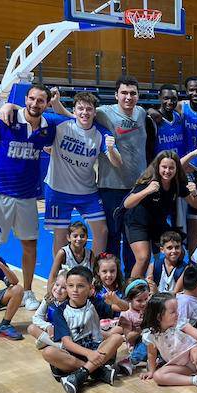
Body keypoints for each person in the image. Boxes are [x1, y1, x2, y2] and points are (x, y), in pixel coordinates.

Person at [49, 76, 149, 275]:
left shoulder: (141, 113)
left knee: (133, 236)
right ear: (116, 95)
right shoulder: (103, 113)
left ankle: (130, 278)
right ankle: (106, 277)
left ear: (138, 96)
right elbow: (75, 116)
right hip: (110, 186)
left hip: (137, 186)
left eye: (133, 93)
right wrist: (55, 103)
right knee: (111, 235)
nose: (128, 97)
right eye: (124, 93)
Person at [0, 84, 59, 310]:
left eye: (40, 100)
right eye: (31, 99)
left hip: (26, 197)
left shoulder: (48, 127)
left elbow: (74, 119)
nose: (35, 104)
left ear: (47, 104)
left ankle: (27, 291)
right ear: (25, 98)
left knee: (30, 245)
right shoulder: (5, 118)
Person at [42, 91, 120, 264]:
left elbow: (117, 163)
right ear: (74, 110)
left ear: (94, 112)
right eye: (81, 109)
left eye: (89, 109)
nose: (85, 112)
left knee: (101, 231)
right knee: (60, 236)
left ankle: (94, 272)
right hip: (58, 191)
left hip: (87, 191)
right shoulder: (60, 123)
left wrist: (112, 149)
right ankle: (62, 274)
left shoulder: (102, 134)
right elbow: (33, 113)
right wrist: (10, 106)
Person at [43, 266, 129, 393]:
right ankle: (97, 372)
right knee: (48, 352)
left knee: (117, 338)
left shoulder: (94, 303)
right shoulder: (61, 311)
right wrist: (89, 354)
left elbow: (125, 307)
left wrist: (116, 300)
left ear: (90, 288)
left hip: (97, 351)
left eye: (80, 286)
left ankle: (80, 374)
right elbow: (67, 343)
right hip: (75, 355)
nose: (75, 290)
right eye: (70, 286)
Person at [124, 151, 197, 278]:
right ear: (158, 167)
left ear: (176, 169)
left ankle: (171, 282)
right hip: (137, 222)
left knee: (178, 251)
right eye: (164, 167)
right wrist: (146, 191)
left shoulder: (177, 184)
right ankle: (132, 293)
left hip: (157, 223)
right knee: (143, 258)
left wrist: (195, 193)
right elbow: (127, 203)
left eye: (171, 167)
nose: (167, 171)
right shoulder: (149, 182)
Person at [140, 292, 197, 393]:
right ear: (159, 317)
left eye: (177, 310)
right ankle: (196, 380)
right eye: (173, 312)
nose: (177, 314)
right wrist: (152, 371)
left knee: (194, 351)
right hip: (181, 367)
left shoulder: (180, 324)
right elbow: (151, 353)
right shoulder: (151, 335)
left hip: (195, 357)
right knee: (158, 377)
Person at [47, 221, 93, 298]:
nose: (79, 238)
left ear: (87, 237)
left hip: (81, 292)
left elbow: (93, 276)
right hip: (64, 292)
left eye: (82, 236)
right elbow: (53, 275)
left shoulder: (90, 254)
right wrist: (49, 294)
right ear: (68, 238)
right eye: (75, 236)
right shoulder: (63, 253)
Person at [29, 271, 68, 350]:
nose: (58, 289)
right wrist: (47, 326)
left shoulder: (70, 304)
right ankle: (56, 345)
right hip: (50, 331)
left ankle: (60, 346)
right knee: (31, 328)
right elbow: (36, 317)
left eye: (64, 288)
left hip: (64, 334)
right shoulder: (48, 298)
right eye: (57, 285)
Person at [147, 85, 187, 157]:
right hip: (163, 166)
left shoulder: (179, 116)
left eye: (174, 99)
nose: (170, 102)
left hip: (179, 164)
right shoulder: (152, 120)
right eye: (166, 98)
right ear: (160, 98)